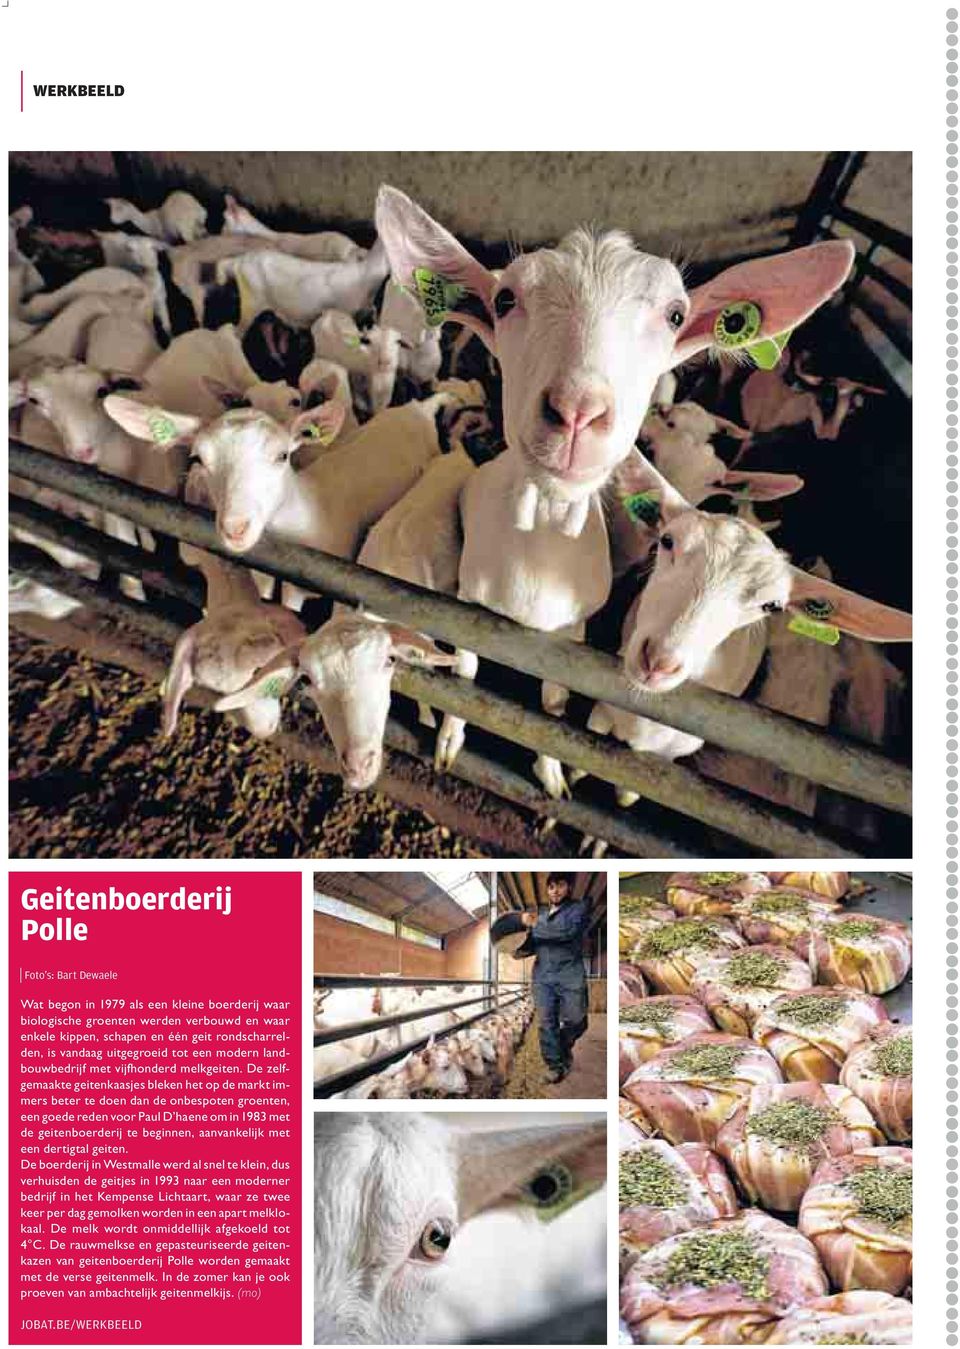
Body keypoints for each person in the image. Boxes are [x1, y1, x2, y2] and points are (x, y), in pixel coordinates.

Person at [519, 873, 591, 1084]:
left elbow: (566, 931)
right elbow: (531, 944)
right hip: (543, 976)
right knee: (546, 1022)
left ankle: (561, 1044)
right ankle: (554, 1065)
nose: (555, 891)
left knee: (577, 1020)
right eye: (551, 887)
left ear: (568, 887)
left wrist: (533, 925)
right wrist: (517, 946)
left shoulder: (579, 908)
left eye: (560, 885)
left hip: (570, 973)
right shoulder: (540, 916)